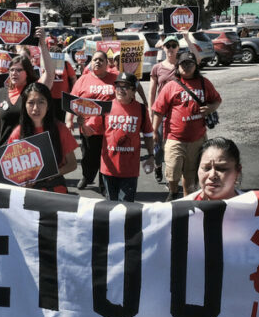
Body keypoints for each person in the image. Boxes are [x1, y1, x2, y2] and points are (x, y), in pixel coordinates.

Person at [152, 52, 222, 201]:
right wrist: (154, 132)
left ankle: (187, 200)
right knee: (173, 169)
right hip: (174, 138)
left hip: (197, 139)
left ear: (196, 66)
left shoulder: (204, 83)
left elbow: (217, 100)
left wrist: (211, 108)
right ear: (178, 67)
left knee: (191, 172)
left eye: (190, 63)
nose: (187, 66)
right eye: (183, 64)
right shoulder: (171, 86)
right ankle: (172, 192)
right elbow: (158, 110)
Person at [0, 28, 55, 150]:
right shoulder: (1, 93)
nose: (14, 73)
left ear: (28, 72)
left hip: (29, 152)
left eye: (19, 70)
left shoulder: (34, 91)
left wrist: (42, 44)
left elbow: (50, 74)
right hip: (5, 152)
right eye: (12, 70)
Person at [8, 82, 78, 193]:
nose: (36, 108)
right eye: (31, 103)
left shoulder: (60, 129)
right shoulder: (17, 133)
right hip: (29, 194)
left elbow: (72, 164)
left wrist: (53, 173)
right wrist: (23, 182)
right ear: (24, 105)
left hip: (56, 191)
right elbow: (11, 171)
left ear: (48, 105)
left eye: (41, 102)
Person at [66, 50, 117, 192]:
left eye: (101, 60)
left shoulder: (116, 77)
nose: (98, 62)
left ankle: (103, 184)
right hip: (88, 127)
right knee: (88, 156)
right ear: (91, 62)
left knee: (106, 157)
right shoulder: (83, 79)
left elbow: (132, 88)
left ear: (107, 63)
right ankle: (87, 177)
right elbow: (72, 101)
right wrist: (69, 120)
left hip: (110, 127)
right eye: (95, 59)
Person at [100, 72, 155, 202]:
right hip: (109, 168)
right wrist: (82, 123)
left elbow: (148, 135)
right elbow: (92, 130)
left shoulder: (141, 109)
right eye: (118, 86)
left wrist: (151, 156)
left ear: (133, 91)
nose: (120, 90)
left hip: (130, 170)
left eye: (125, 87)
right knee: (111, 207)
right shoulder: (106, 106)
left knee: (126, 208)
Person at [148, 34, 180, 183]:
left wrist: (186, 38)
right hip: (160, 112)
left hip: (177, 111)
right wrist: (150, 111)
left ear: (178, 48)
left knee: (173, 143)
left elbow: (197, 60)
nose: (171, 48)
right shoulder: (157, 68)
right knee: (158, 142)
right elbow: (152, 91)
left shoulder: (182, 66)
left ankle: (171, 174)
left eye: (174, 45)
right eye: (168, 45)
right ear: (163, 47)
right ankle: (158, 165)